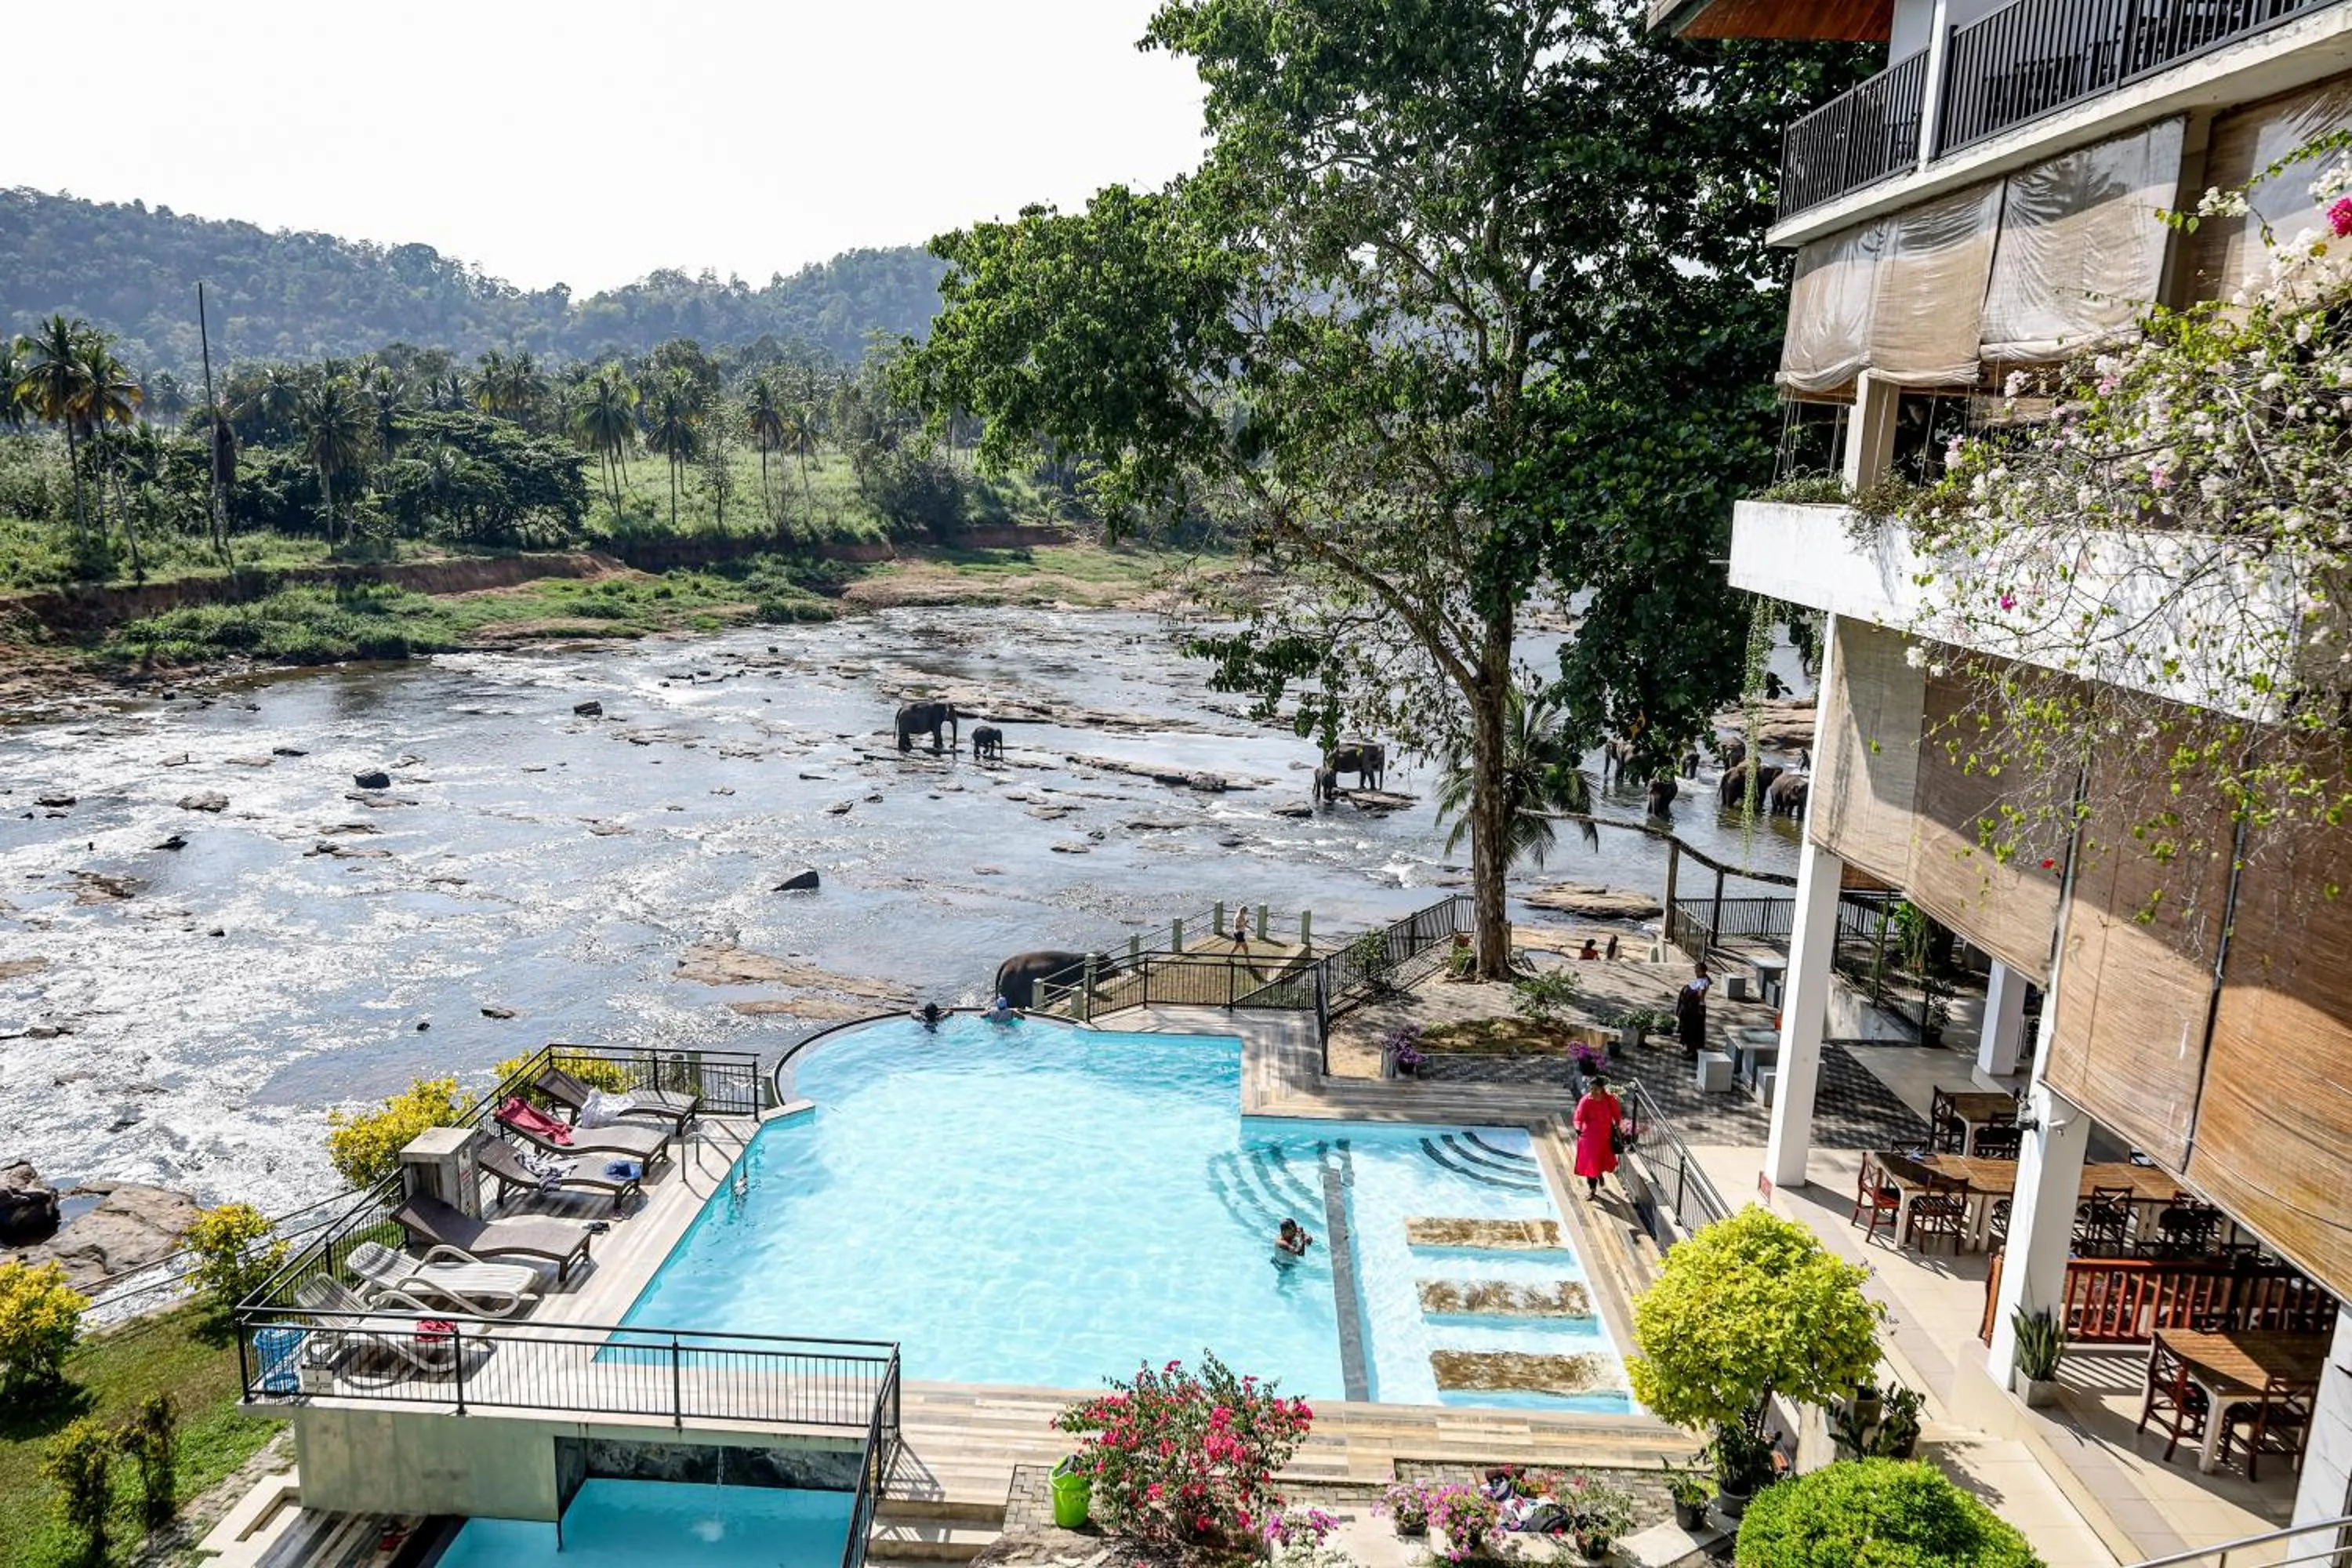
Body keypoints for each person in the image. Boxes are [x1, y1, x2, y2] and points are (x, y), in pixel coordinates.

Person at [1572, 1069, 1624, 1200]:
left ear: (1602, 1089)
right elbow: (1578, 1117)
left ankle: (1598, 1173)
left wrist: (1619, 1127)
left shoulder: (1609, 1100)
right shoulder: (1586, 1101)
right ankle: (1592, 1189)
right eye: (1591, 1089)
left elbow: (1617, 1115)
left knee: (1600, 1161)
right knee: (1591, 1163)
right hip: (1589, 1138)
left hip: (1605, 1137)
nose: (1593, 1092)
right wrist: (1578, 1128)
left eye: (1596, 1089)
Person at [1674, 962, 1711, 1054]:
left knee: (1692, 1029)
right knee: (1688, 1028)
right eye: (1695, 970)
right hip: (1689, 1007)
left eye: (1698, 970)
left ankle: (1691, 1050)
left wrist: (1700, 1009)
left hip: (1694, 1009)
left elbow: (1700, 996)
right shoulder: (1700, 979)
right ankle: (1688, 1048)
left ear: (1703, 971)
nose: (1696, 971)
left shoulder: (1704, 982)